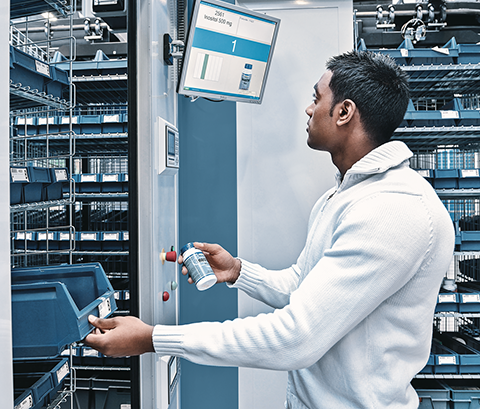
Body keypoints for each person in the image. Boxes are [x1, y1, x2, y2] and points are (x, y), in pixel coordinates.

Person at [86, 50, 455, 409]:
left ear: (344, 112)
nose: (309, 109)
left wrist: (154, 339)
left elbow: (297, 336)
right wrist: (238, 272)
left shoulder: (392, 209)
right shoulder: (341, 197)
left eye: (317, 98)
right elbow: (302, 286)